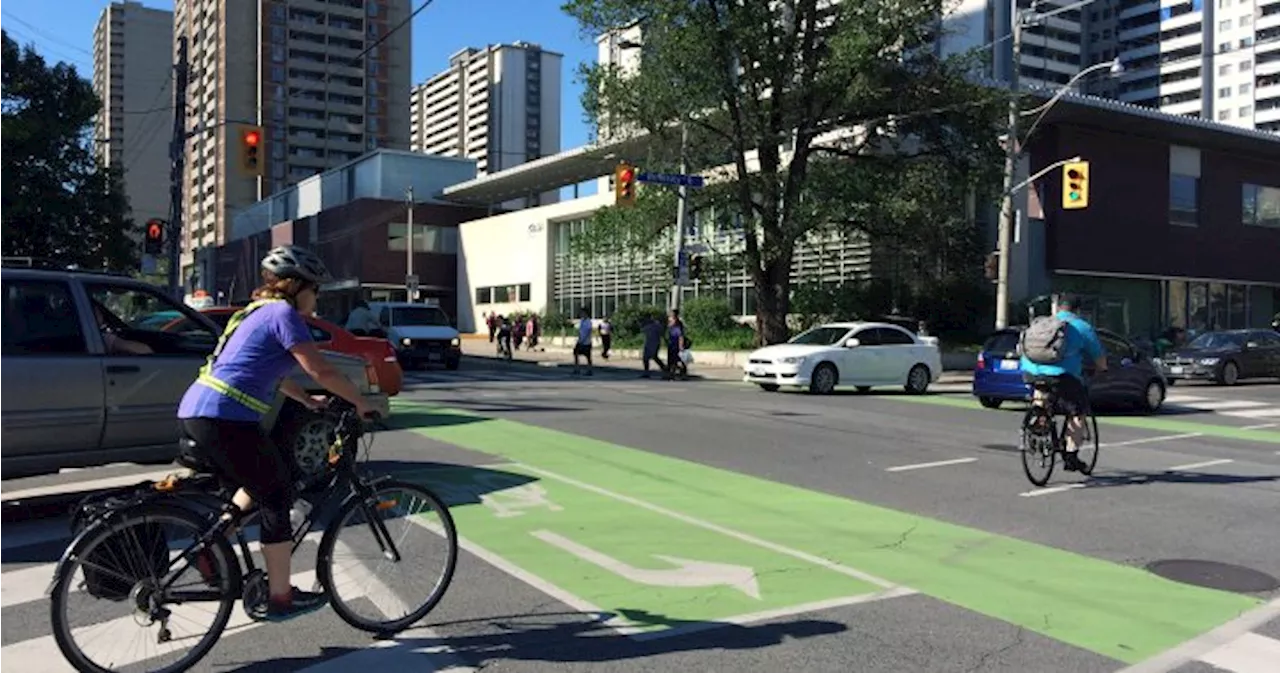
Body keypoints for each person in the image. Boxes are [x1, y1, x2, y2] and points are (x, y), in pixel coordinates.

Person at [176, 245, 380, 622]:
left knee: (258, 480)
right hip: (225, 418)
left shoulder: (253, 312)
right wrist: (361, 402)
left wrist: (306, 401)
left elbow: (274, 373)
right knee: (278, 493)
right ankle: (280, 597)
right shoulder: (284, 314)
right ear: (297, 285)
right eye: (315, 289)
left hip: (199, 412)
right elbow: (321, 369)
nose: (316, 298)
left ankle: (211, 542)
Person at [1019, 294, 1106, 472]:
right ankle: (1071, 456)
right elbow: (1100, 360)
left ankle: (1039, 419)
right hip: (1062, 376)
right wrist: (1100, 370)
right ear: (1078, 309)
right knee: (1077, 412)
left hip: (1031, 370)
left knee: (1041, 391)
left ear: (1058, 307)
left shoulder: (1042, 323)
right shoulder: (1082, 327)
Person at [665, 309, 687, 380]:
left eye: (672, 315)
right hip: (671, 343)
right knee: (671, 360)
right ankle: (673, 373)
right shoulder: (671, 323)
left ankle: (674, 373)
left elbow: (681, 336)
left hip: (676, 344)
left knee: (674, 360)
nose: (670, 316)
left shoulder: (678, 324)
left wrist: (681, 345)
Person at [573, 308, 594, 376]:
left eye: (582, 313)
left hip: (586, 342)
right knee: (575, 353)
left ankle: (589, 370)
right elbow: (580, 330)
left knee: (588, 356)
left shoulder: (588, 322)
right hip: (580, 341)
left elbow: (588, 331)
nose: (581, 314)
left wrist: (583, 339)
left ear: (586, 313)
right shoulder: (582, 321)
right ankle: (577, 368)